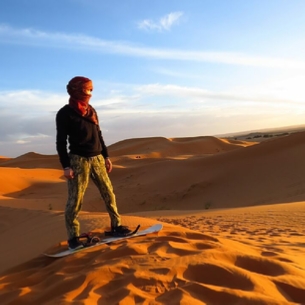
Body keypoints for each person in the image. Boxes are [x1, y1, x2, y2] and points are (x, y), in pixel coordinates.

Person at [56, 76, 131, 250]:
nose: (91, 92)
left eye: (91, 89)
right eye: (88, 89)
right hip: (78, 161)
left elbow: (98, 134)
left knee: (109, 194)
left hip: (97, 159)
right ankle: (73, 238)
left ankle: (116, 226)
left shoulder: (91, 111)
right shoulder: (65, 113)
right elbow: (60, 142)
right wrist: (66, 166)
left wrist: (106, 156)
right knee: (75, 201)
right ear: (78, 90)